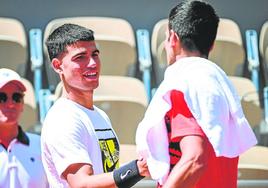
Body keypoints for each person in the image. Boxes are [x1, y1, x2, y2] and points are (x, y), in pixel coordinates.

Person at [136, 1, 257, 188]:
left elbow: (195, 160)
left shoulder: (184, 84)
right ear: (212, 45)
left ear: (173, 39)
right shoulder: (215, 83)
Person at [41, 23, 149, 188]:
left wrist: (138, 170)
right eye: (80, 57)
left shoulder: (98, 114)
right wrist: (137, 169)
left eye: (95, 54)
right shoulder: (63, 118)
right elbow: (82, 184)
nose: (92, 63)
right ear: (57, 66)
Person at [0, 68, 48, 188]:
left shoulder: (42, 146)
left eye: (16, 97)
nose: (10, 104)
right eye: (1, 97)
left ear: (22, 104)